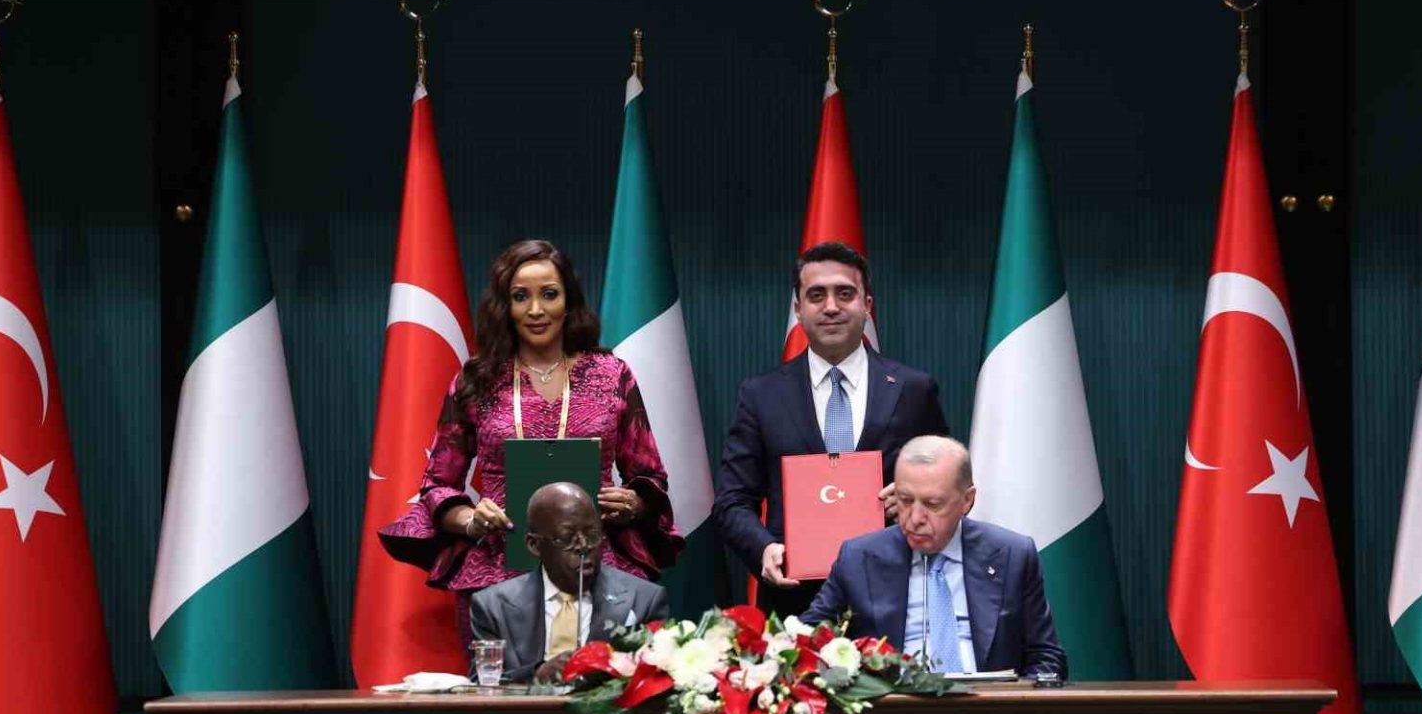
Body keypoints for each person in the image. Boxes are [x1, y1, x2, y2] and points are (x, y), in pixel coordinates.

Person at [379, 239, 683, 650]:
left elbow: (651, 479)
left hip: (597, 566)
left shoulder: (612, 374)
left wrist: (634, 502)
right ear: (504, 306)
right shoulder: (475, 380)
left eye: (549, 294)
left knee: (606, 685)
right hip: (498, 574)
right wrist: (470, 519)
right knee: (503, 689)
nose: (536, 310)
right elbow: (436, 486)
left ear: (568, 301)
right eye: (521, 297)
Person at [715, 241, 950, 617]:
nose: (831, 307)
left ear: (867, 305)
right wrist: (764, 549)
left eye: (845, 293)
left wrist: (914, 497)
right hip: (795, 601)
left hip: (898, 594)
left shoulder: (913, 389)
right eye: (816, 295)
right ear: (798, 309)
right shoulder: (761, 395)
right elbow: (732, 501)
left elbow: (949, 487)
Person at [802, 436, 1066, 678]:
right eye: (905, 500)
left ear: (967, 500)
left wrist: (1017, 707)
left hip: (989, 706)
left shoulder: (1012, 555)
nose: (915, 518)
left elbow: (1046, 656)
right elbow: (804, 641)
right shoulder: (858, 558)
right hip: (893, 707)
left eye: (933, 504)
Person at [470, 482, 671, 684]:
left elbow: (658, 680)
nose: (583, 546)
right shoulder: (492, 607)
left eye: (592, 535)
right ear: (535, 545)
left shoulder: (644, 600)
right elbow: (481, 684)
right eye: (567, 538)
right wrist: (537, 675)